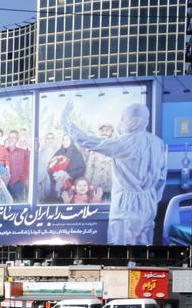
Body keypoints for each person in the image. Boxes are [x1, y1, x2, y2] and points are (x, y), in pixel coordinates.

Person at [62, 101, 167, 245]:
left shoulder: (122, 143)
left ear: (131, 121)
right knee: (144, 247)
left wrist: (66, 122)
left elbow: (87, 140)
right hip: (148, 204)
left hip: (126, 206)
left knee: (121, 249)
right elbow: (161, 178)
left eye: (124, 119)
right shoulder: (158, 143)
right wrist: (151, 198)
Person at [5, 129, 30, 203]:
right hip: (6, 184)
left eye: (14, 138)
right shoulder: (3, 151)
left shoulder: (23, 152)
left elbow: (32, 161)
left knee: (19, 205)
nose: (11, 139)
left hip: (18, 184)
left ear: (17, 139)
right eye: (10, 137)